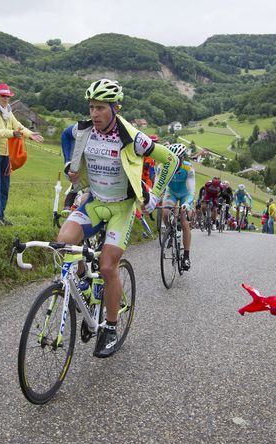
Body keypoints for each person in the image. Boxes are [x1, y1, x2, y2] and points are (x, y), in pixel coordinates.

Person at [59, 79, 178, 358]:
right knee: (64, 244)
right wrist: (68, 165)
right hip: (94, 202)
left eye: (101, 108)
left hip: (121, 209)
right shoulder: (83, 130)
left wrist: (154, 196)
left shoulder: (132, 137)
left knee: (107, 266)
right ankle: (86, 285)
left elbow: (170, 160)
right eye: (91, 107)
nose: (94, 114)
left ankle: (110, 328)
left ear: (116, 108)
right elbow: (65, 136)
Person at [0, 83, 44, 225]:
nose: (6, 98)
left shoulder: (8, 111)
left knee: (4, 187)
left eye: (8, 96)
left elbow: (18, 126)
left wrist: (30, 134)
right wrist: (12, 133)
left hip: (5, 154)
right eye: (3, 96)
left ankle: (0, 216)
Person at [162, 143, 195, 270]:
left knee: (184, 220)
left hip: (185, 195)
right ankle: (170, 231)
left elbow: (191, 191)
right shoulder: (163, 166)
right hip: (171, 193)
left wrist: (187, 203)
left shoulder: (188, 168)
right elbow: (158, 186)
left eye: (177, 159)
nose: (175, 162)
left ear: (182, 158)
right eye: (172, 159)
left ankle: (186, 256)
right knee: (165, 213)